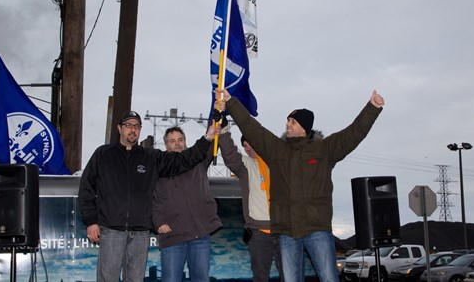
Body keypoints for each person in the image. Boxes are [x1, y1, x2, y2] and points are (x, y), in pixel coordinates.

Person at [216, 89, 385, 282]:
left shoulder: (324, 150)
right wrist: (231, 102)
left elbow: (352, 134)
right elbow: (253, 129)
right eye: (287, 120)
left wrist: (372, 108)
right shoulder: (276, 149)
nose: (288, 124)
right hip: (286, 232)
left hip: (317, 228)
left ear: (304, 127)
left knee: (329, 278)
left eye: (293, 122)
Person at [78, 110, 219, 282]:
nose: (133, 130)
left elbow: (182, 160)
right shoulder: (103, 154)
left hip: (141, 232)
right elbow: (86, 188)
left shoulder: (150, 156)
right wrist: (91, 221)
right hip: (111, 230)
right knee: (108, 278)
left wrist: (207, 138)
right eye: (128, 125)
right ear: (119, 128)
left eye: (136, 126)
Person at [152, 126, 222, 282]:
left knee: (202, 279)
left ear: (185, 142)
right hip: (172, 236)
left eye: (180, 140)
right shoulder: (158, 168)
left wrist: (219, 112)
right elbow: (152, 200)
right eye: (172, 141)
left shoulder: (199, 160)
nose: (177, 144)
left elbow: (213, 136)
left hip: (200, 235)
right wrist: (158, 222)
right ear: (166, 145)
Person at [218, 130, 284, 282]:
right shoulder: (245, 165)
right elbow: (229, 154)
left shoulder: (278, 163)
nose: (248, 148)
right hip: (259, 233)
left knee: (291, 275)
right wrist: (223, 130)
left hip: (284, 231)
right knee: (260, 277)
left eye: (250, 144)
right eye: (245, 146)